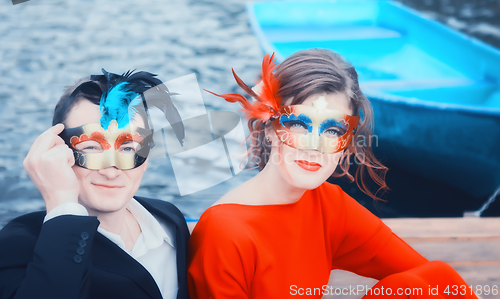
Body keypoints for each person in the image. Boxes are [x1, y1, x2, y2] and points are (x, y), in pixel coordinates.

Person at [187, 49, 477, 298]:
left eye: (333, 130)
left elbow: (429, 279)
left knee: (434, 278)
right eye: (299, 124)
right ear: (268, 128)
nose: (315, 147)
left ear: (347, 141)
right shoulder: (224, 233)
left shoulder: (328, 205)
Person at [0, 70, 190, 299]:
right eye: (91, 147)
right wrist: (62, 202)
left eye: (128, 148)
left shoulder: (168, 221)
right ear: (56, 151)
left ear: (146, 157)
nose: (111, 171)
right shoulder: (17, 246)